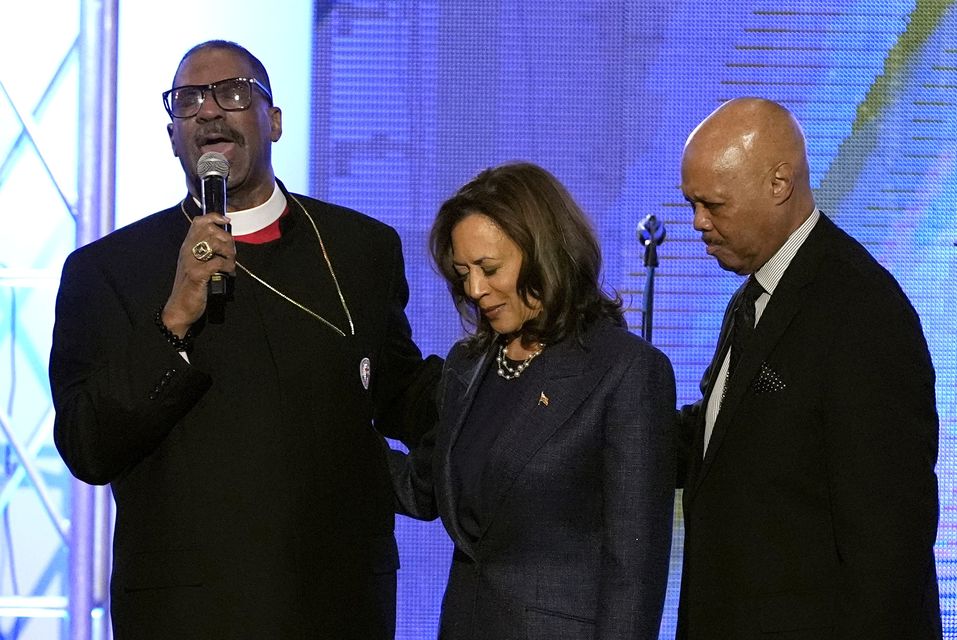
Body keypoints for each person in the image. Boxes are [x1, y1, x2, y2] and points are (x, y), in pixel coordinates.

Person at [49, 40, 438, 639]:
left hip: (337, 604)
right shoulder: (108, 271)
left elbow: (400, 394)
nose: (209, 111)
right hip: (187, 614)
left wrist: (513, 374)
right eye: (188, 101)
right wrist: (174, 317)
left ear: (274, 121)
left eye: (232, 93)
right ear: (174, 134)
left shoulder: (361, 249)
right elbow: (87, 445)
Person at [676, 97, 941, 639]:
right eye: (691, 204)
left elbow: (887, 544)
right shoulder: (756, 294)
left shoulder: (860, 310)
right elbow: (729, 438)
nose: (698, 222)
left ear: (780, 183)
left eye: (713, 205)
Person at [389, 162, 676, 639]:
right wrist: (327, 431)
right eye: (463, 274)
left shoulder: (626, 370)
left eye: (489, 269)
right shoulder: (468, 364)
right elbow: (423, 488)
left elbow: (634, 572)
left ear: (544, 252)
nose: (474, 290)